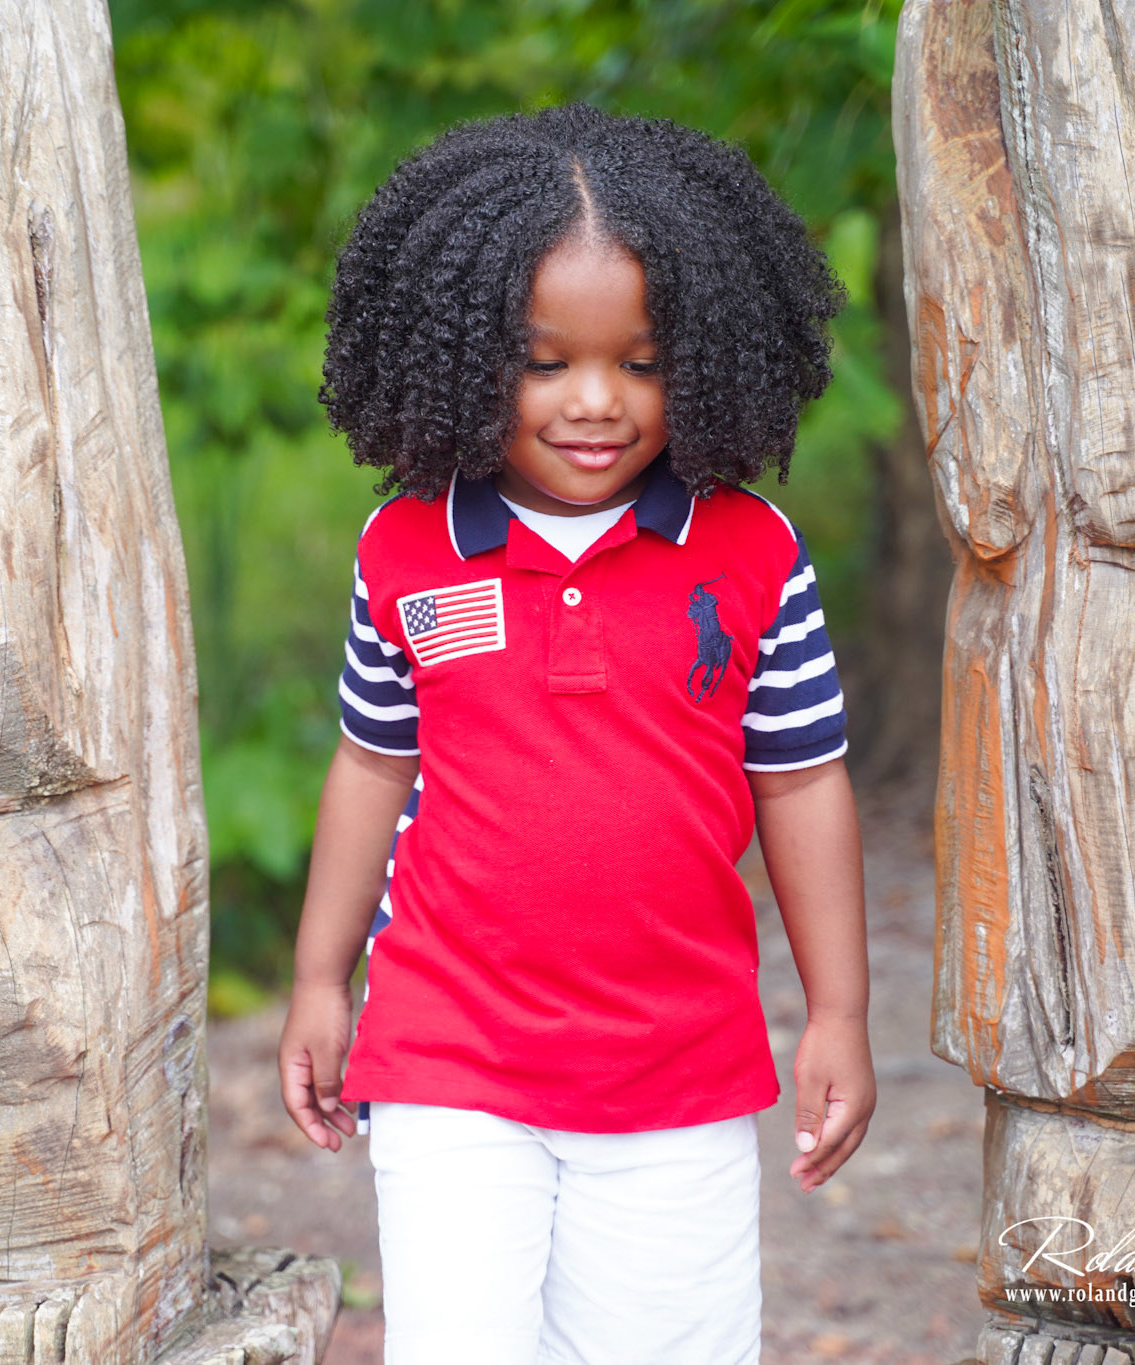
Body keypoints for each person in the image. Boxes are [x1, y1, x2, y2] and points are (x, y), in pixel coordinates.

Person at [276, 102, 874, 1365]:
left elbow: (801, 782)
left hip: (677, 1070)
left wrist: (837, 1012)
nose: (594, 402)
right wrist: (322, 982)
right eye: (542, 363)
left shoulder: (753, 554)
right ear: (453, 354)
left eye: (641, 364)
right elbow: (372, 763)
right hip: (447, 1051)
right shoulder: (405, 549)